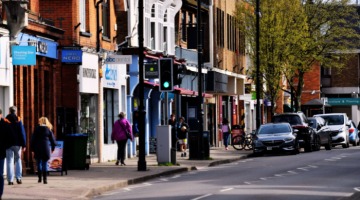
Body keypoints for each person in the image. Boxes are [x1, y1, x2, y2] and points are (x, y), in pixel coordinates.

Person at [30, 117, 56, 184]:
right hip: (45, 147)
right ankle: (45, 179)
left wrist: (32, 148)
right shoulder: (48, 129)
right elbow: (53, 140)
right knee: (44, 163)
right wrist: (53, 148)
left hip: (37, 147)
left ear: (40, 122)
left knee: (38, 163)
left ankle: (39, 178)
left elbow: (33, 139)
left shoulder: (36, 129)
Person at [5, 106, 26, 185]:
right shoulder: (19, 120)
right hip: (17, 144)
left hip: (8, 144)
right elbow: (22, 133)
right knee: (18, 160)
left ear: (9, 111)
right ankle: (18, 178)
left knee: (9, 161)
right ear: (16, 112)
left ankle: (10, 180)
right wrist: (24, 144)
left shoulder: (5, 120)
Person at [0, 109, 15, 200]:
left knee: (0, 174)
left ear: (0, 115)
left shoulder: (6, 125)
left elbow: (12, 139)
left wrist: (4, 146)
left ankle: (0, 193)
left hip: (0, 153)